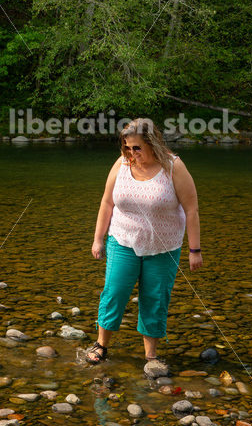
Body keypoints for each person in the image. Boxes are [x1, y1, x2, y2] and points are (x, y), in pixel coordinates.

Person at [86, 117, 203, 365]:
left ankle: (151, 356)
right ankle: (101, 345)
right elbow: (107, 202)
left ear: (153, 143)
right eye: (127, 147)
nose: (131, 153)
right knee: (114, 291)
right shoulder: (121, 164)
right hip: (123, 239)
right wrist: (98, 239)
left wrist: (195, 250)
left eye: (136, 147)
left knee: (155, 297)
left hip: (163, 247)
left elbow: (192, 210)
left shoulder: (173, 167)